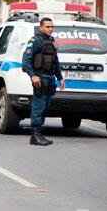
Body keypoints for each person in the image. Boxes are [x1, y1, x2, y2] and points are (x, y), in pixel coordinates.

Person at [22, 17, 65, 146]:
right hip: (40, 78)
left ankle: (39, 134)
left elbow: (55, 61)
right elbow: (25, 61)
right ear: (41, 27)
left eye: (52, 27)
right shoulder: (35, 40)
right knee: (39, 106)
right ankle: (35, 136)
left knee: (45, 107)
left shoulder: (51, 40)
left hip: (50, 78)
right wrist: (33, 76)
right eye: (48, 27)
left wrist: (60, 77)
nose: (50, 29)